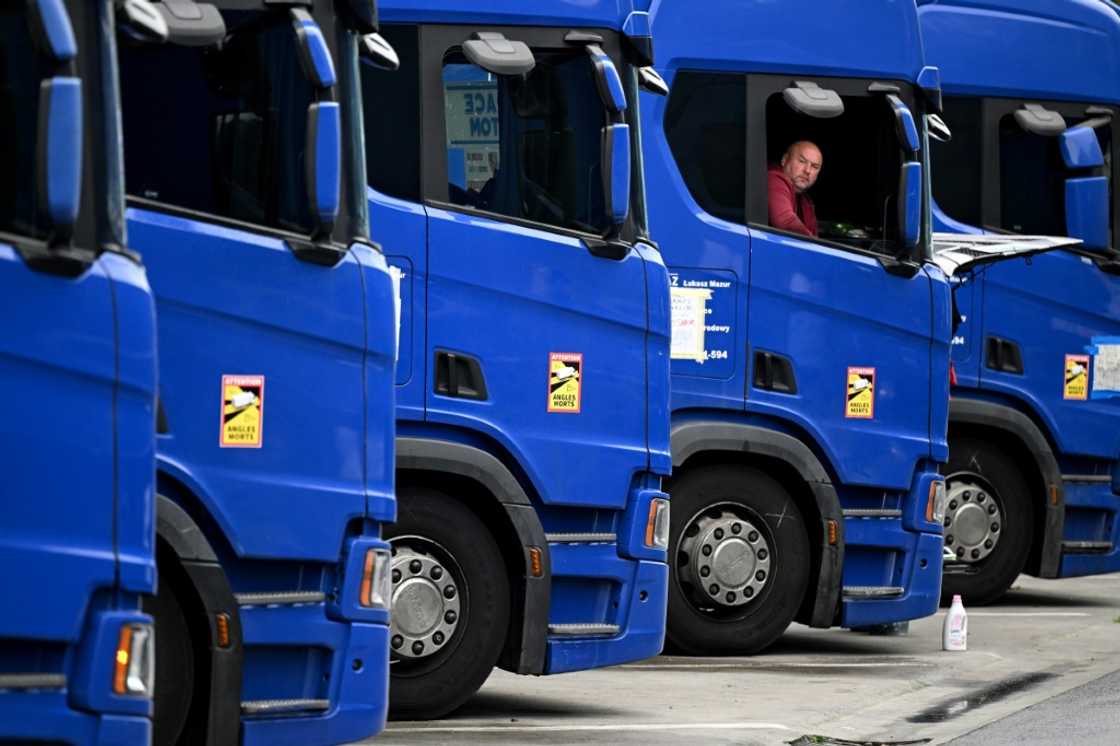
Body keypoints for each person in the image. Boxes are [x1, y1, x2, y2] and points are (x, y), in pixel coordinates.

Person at [768, 140, 822, 237]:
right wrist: (815, 245)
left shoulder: (806, 202)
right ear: (784, 160)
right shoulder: (773, 179)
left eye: (814, 166)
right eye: (802, 161)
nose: (807, 171)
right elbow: (786, 222)